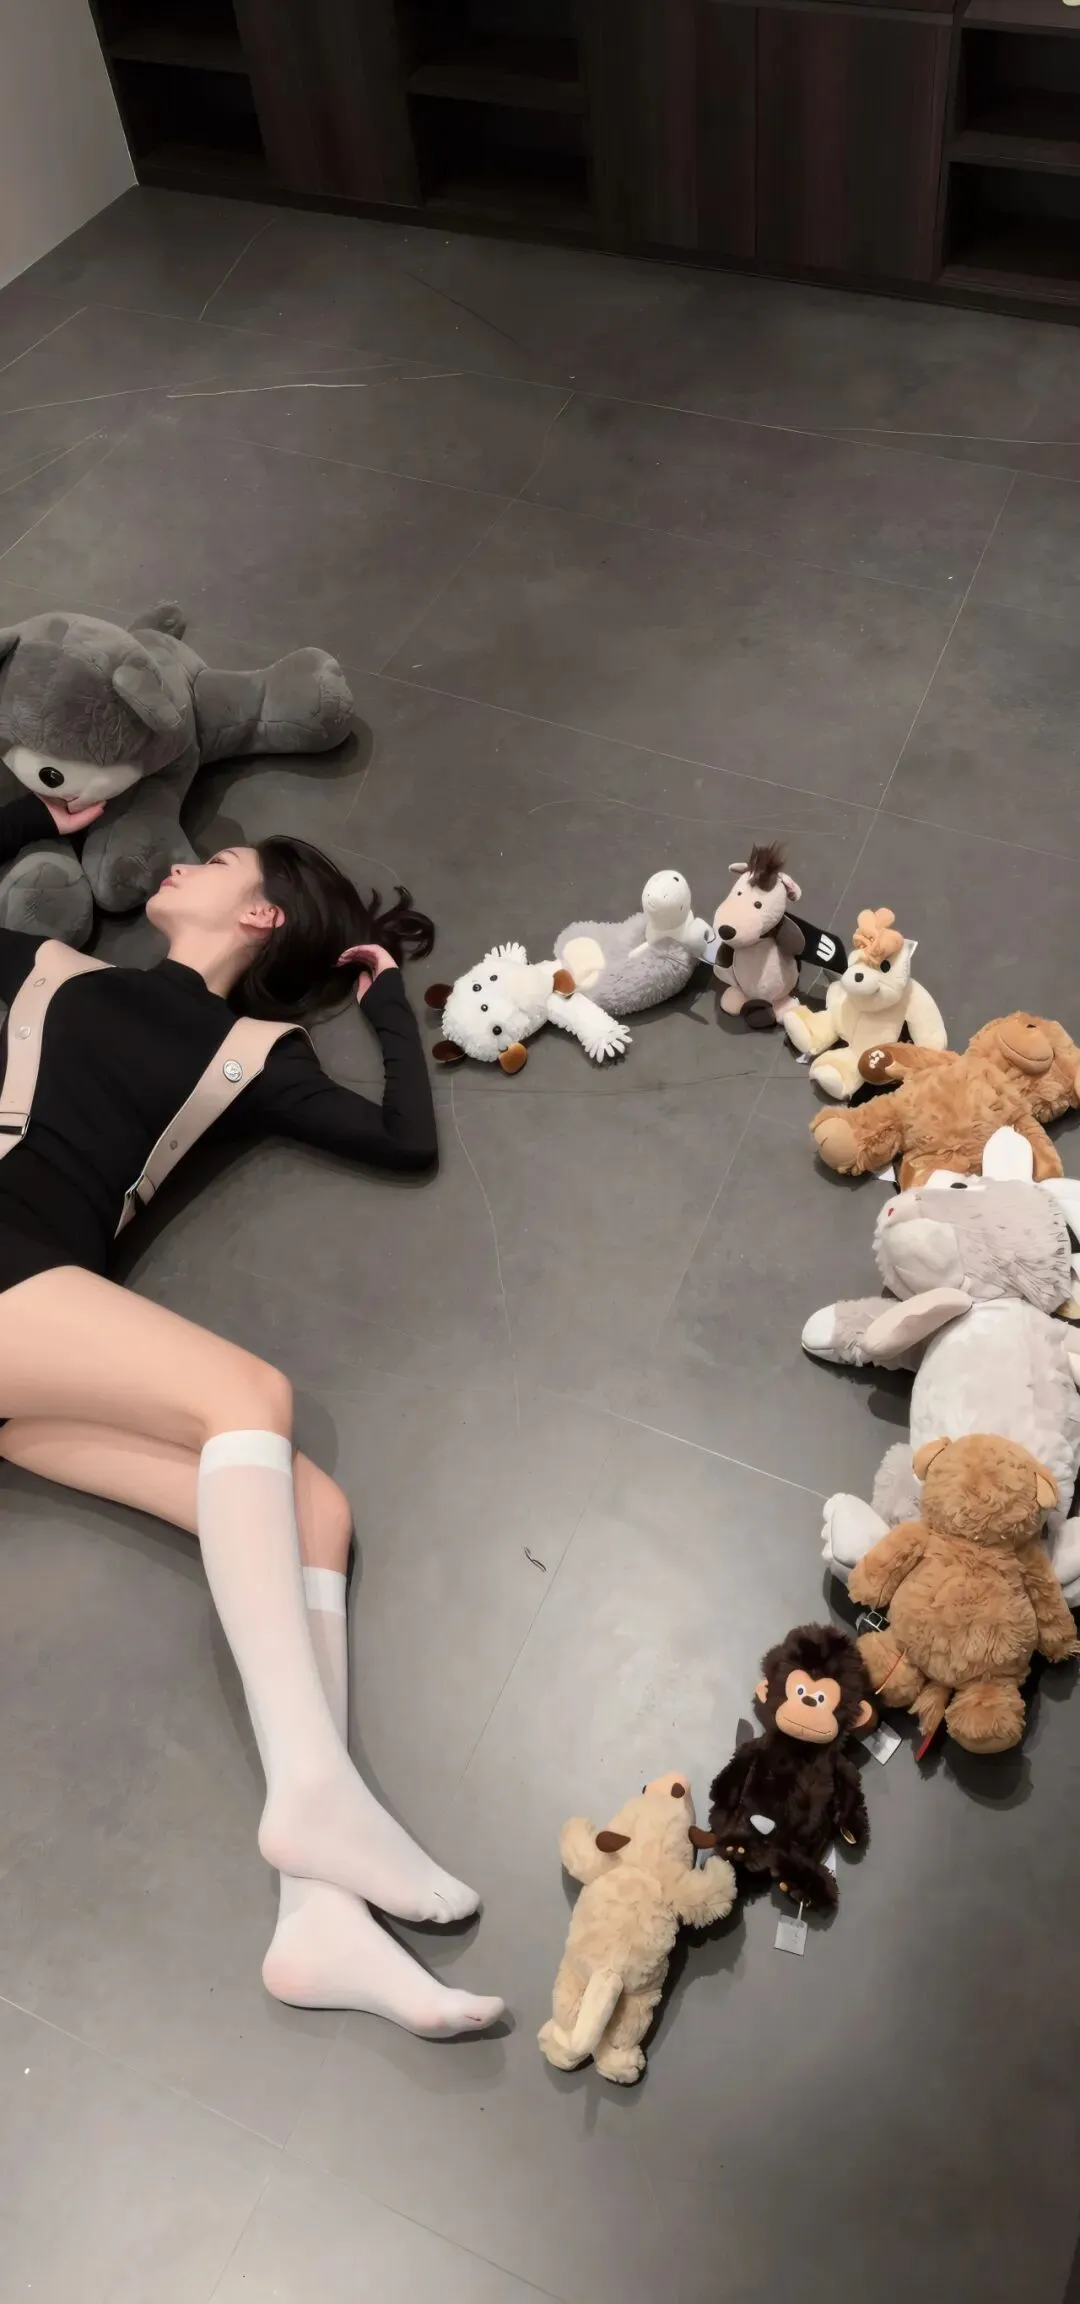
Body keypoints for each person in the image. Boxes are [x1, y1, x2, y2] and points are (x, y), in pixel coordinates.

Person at [0, 789, 503, 2038]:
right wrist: (34, 806)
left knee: (313, 1507)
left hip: (31, 1337)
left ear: (261, 913)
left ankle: (317, 1921)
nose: (183, 862)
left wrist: (384, 1002)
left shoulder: (254, 1057)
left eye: (218, 858)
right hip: (12, 1271)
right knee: (251, 1397)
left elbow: (404, 1141)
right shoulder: (48, 970)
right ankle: (316, 1791)